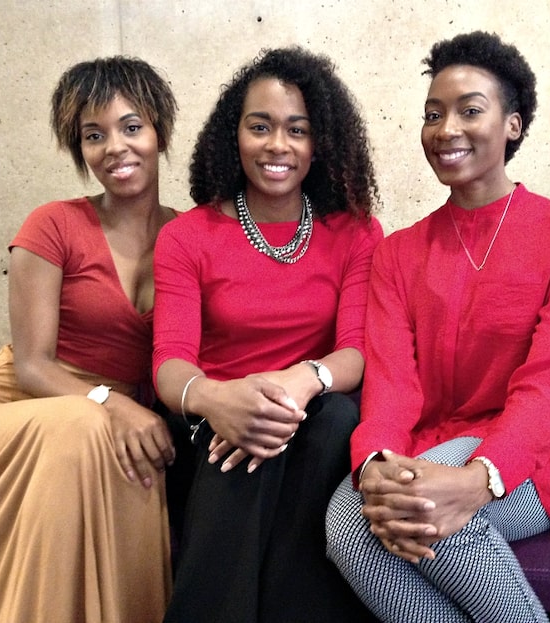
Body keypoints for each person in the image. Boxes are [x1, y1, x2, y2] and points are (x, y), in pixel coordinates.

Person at [325, 31, 550, 623]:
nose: (446, 129)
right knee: (346, 525)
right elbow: (392, 385)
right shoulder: (397, 254)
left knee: (420, 515)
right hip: (429, 440)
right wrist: (375, 463)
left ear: (513, 125)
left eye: (470, 111)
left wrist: (479, 479)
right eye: (432, 114)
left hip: (541, 448)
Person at [0, 56, 179, 623]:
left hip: (99, 425)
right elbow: (31, 365)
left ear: (158, 131)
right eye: (93, 136)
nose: (115, 148)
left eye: (131, 127)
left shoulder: (187, 233)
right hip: (13, 407)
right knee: (87, 426)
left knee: (128, 452)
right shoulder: (52, 224)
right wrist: (112, 403)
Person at [153, 46, 383, 623]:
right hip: (212, 426)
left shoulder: (355, 231)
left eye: (297, 130)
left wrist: (297, 383)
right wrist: (218, 399)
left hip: (314, 416)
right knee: (246, 444)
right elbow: (170, 361)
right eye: (261, 127)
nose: (277, 145)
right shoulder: (188, 235)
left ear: (319, 144)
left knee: (332, 419)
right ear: (235, 136)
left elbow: (357, 347)